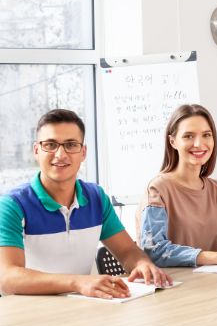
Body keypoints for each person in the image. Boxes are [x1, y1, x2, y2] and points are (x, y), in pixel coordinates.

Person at [0, 109, 171, 299]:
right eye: (50, 144)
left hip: (82, 310)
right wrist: (77, 282)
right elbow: (8, 277)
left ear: (83, 152)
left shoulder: (96, 198)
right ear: (36, 151)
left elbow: (127, 251)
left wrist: (142, 264)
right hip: (27, 315)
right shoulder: (12, 205)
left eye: (71, 144)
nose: (60, 154)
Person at [139, 104, 217, 267]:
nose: (199, 144)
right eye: (188, 136)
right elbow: (154, 250)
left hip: (216, 284)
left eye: (206, 135)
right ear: (173, 142)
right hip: (178, 287)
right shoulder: (157, 190)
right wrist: (215, 257)